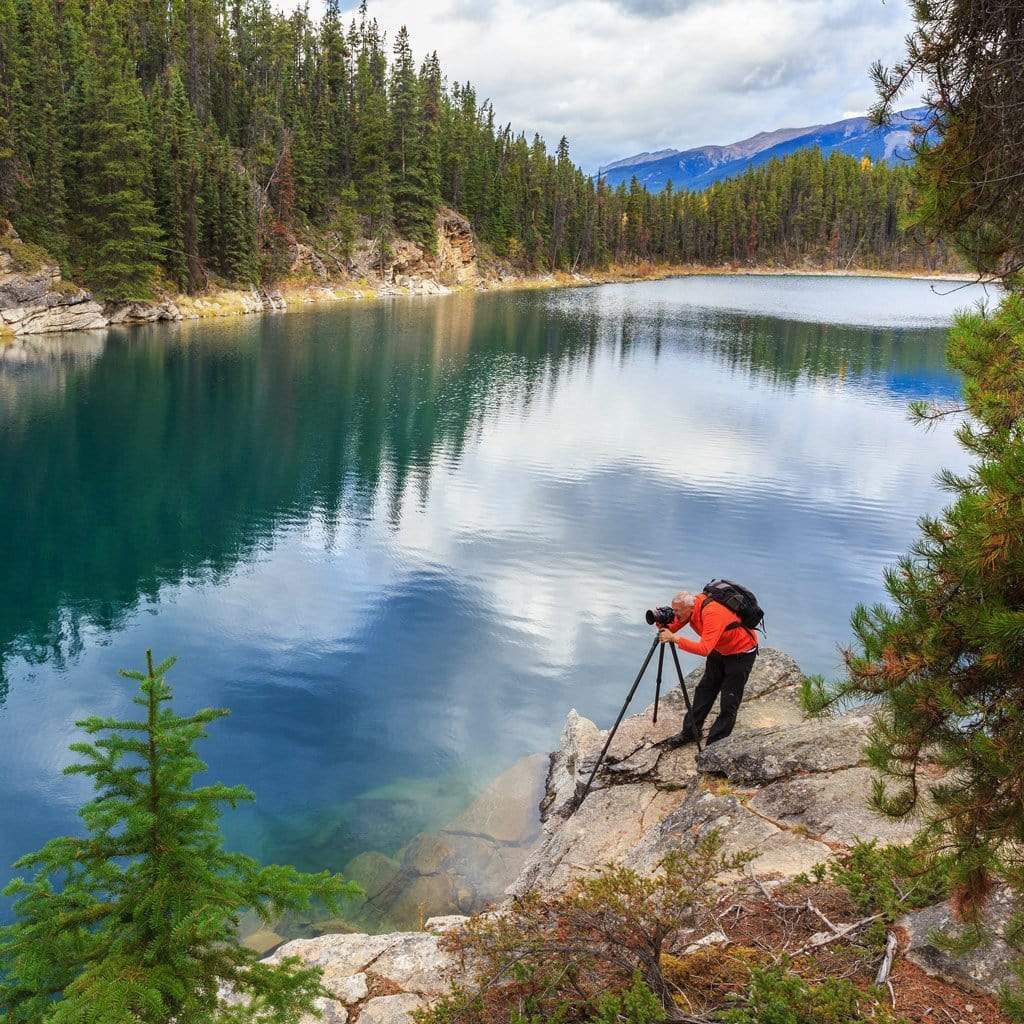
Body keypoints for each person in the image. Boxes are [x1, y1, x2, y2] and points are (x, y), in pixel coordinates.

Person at [657, 589, 758, 746]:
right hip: (719, 650)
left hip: (741, 653)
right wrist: (661, 620)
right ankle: (690, 733)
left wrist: (675, 639)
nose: (676, 615)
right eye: (674, 610)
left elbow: (704, 649)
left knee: (729, 700)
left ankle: (715, 745)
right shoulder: (690, 608)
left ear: (689, 607)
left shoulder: (712, 613)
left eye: (677, 611)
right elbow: (673, 626)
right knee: (704, 690)